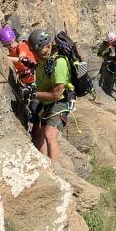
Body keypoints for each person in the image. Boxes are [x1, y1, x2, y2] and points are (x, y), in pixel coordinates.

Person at [28, 28, 74, 163]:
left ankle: (56, 170)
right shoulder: (45, 58)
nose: (37, 55)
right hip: (45, 103)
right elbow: (42, 70)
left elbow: (56, 94)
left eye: (39, 52)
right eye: (35, 53)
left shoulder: (59, 63)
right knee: (40, 134)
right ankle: (45, 166)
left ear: (48, 46)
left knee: (50, 135)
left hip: (60, 102)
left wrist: (33, 94)